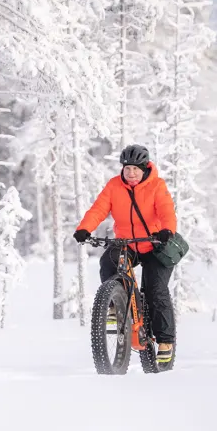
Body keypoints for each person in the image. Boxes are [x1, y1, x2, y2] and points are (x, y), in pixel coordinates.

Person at [73, 144, 179, 367]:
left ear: (145, 168)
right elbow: (99, 209)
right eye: (127, 168)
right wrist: (85, 228)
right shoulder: (114, 186)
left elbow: (166, 209)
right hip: (128, 243)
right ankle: (114, 304)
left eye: (135, 169)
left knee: (156, 290)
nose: (131, 173)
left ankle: (165, 342)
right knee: (108, 261)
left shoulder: (156, 186)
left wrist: (167, 230)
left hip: (154, 243)